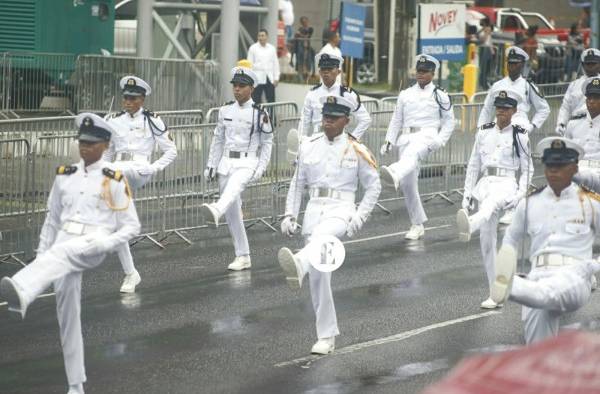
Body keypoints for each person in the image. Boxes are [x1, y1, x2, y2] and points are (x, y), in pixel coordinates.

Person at [0, 113, 140, 394]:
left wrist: (106, 244)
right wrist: (42, 254)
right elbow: (51, 220)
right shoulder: (65, 176)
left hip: (93, 241)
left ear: (105, 145)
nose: (85, 147)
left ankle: (25, 290)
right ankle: (76, 385)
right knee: (67, 317)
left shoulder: (113, 179)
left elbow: (132, 226)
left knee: (65, 250)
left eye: (92, 143)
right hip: (63, 243)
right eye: (82, 142)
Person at [277, 95, 381, 354]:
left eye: (333, 118)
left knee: (323, 237)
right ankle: (326, 336)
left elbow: (373, 186)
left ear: (346, 120)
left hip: (341, 211)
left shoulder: (357, 149)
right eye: (325, 117)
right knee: (320, 278)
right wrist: (289, 215)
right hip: (313, 212)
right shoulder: (309, 145)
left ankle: (299, 263)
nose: (327, 122)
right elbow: (297, 184)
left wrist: (359, 217)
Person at [490, 137, 600, 344]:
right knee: (537, 350)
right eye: (549, 165)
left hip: (574, 276)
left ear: (574, 168)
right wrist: (507, 266)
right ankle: (515, 285)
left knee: (547, 293)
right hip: (538, 274)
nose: (553, 171)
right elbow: (511, 238)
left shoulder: (592, 203)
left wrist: (592, 266)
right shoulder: (529, 203)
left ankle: (512, 288)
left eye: (560, 166)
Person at [456, 90, 533, 309]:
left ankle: (470, 223)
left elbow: (528, 169)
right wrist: (466, 194)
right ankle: (495, 293)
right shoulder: (483, 132)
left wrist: (520, 194)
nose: (501, 112)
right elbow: (473, 166)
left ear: (514, 111)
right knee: (487, 244)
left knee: (489, 207)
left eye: (506, 108)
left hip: (507, 184)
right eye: (499, 107)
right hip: (487, 183)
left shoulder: (521, 134)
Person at [103, 75, 177, 293]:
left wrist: (154, 168)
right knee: (119, 225)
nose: (128, 101)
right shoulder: (113, 121)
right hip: (118, 169)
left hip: (139, 169)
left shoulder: (152, 120)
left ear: (142, 99)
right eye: (126, 97)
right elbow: (107, 152)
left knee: (115, 175)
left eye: (133, 98)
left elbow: (171, 150)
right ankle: (130, 274)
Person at [201, 66, 273, 271]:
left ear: (251, 88)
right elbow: (218, 139)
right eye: (235, 86)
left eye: (242, 86)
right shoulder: (225, 110)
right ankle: (243, 256)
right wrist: (211, 165)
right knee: (233, 215)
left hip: (247, 162)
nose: (237, 90)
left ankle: (216, 209)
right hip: (226, 163)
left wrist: (261, 167)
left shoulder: (260, 113)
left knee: (234, 186)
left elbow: (268, 141)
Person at [379, 54, 455, 240]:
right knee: (408, 184)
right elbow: (397, 119)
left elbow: (449, 122)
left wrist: (440, 140)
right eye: (418, 71)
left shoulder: (440, 95)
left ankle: (394, 172)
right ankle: (417, 224)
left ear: (433, 73)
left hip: (427, 135)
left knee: (411, 156)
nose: (420, 74)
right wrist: (389, 140)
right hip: (406, 138)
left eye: (425, 71)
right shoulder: (405, 94)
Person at [477, 46, 549, 225]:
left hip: (519, 126)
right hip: (498, 126)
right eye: (510, 63)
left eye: (516, 64)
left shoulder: (527, 86)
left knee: (516, 169)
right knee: (498, 164)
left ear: (523, 65)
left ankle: (511, 206)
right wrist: (481, 129)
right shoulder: (497, 85)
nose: (512, 66)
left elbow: (543, 108)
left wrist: (532, 126)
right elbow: (486, 109)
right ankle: (492, 200)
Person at [297, 53, 371, 141]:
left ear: (338, 72)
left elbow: (365, 119)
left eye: (330, 69)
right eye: (323, 69)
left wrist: (353, 138)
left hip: (338, 142)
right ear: (320, 72)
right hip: (317, 142)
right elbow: (304, 122)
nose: (326, 72)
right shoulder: (312, 94)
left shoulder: (348, 94)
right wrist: (301, 143)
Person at [556, 48, 600, 135]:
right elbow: (566, 106)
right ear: (583, 65)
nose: (591, 66)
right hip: (575, 124)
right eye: (588, 64)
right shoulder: (574, 84)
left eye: (593, 63)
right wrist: (561, 123)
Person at [247, 29, 280, 104]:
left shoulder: (272, 48)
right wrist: (250, 80)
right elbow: (249, 65)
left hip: (269, 77)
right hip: (257, 77)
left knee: (271, 100)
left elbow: (275, 64)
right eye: (259, 36)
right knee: (256, 100)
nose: (261, 38)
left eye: (262, 36)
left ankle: (271, 116)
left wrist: (276, 78)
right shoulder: (253, 48)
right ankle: (256, 115)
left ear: (267, 37)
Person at [294, 16, 315, 81]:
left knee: (310, 61)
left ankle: (310, 75)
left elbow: (308, 35)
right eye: (303, 22)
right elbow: (296, 36)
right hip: (301, 48)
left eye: (305, 22)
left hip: (307, 48)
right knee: (300, 62)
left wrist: (300, 35)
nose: (305, 23)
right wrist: (299, 34)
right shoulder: (300, 29)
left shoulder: (310, 29)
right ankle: (301, 77)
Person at [478, 18, 496, 90]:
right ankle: (483, 84)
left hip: (486, 49)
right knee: (484, 68)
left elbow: (484, 40)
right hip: (486, 49)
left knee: (484, 68)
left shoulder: (487, 29)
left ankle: (484, 84)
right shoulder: (484, 29)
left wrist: (482, 34)